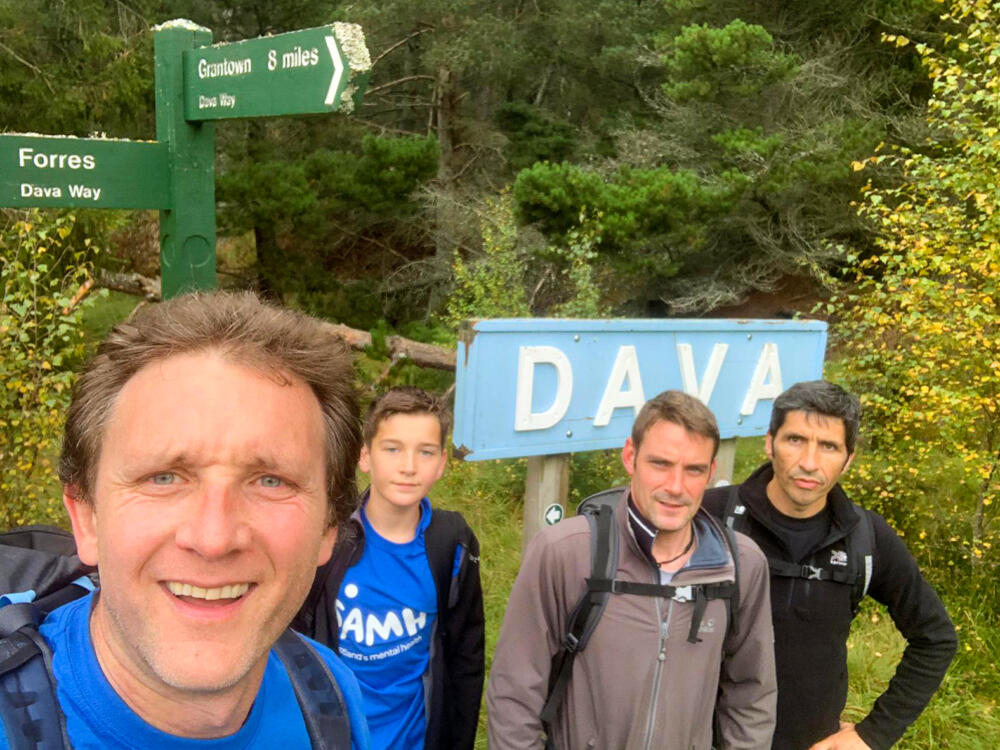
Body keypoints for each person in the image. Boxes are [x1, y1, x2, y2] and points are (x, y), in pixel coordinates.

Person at [0, 292, 370, 749]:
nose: (214, 538)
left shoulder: (330, 696)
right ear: (87, 519)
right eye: (164, 478)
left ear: (328, 526)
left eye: (270, 481)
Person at [486, 390, 776, 750]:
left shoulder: (740, 565)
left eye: (694, 470)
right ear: (630, 456)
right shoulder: (566, 553)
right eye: (660, 464)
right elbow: (514, 691)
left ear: (711, 472)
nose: (675, 486)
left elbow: (751, 693)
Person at [702, 380, 957, 750]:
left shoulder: (866, 537)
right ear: (769, 443)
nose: (809, 462)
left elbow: (936, 637)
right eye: (795, 440)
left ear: (849, 459)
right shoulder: (709, 516)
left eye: (829, 446)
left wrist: (874, 733)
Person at [294, 386, 485, 750]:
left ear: (442, 462)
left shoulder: (451, 543)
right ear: (365, 456)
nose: (408, 466)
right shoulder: (328, 539)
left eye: (425, 452)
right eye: (392, 448)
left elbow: (466, 657)